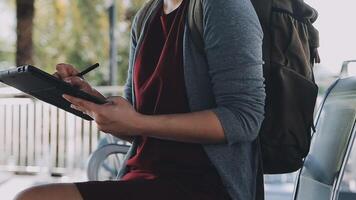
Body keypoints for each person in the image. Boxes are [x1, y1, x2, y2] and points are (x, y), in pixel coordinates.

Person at [15, 0, 265, 199]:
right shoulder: (147, 17)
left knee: (33, 197)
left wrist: (137, 123)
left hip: (205, 185)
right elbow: (134, 122)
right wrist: (91, 98)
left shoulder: (224, 7)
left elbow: (244, 119)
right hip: (144, 178)